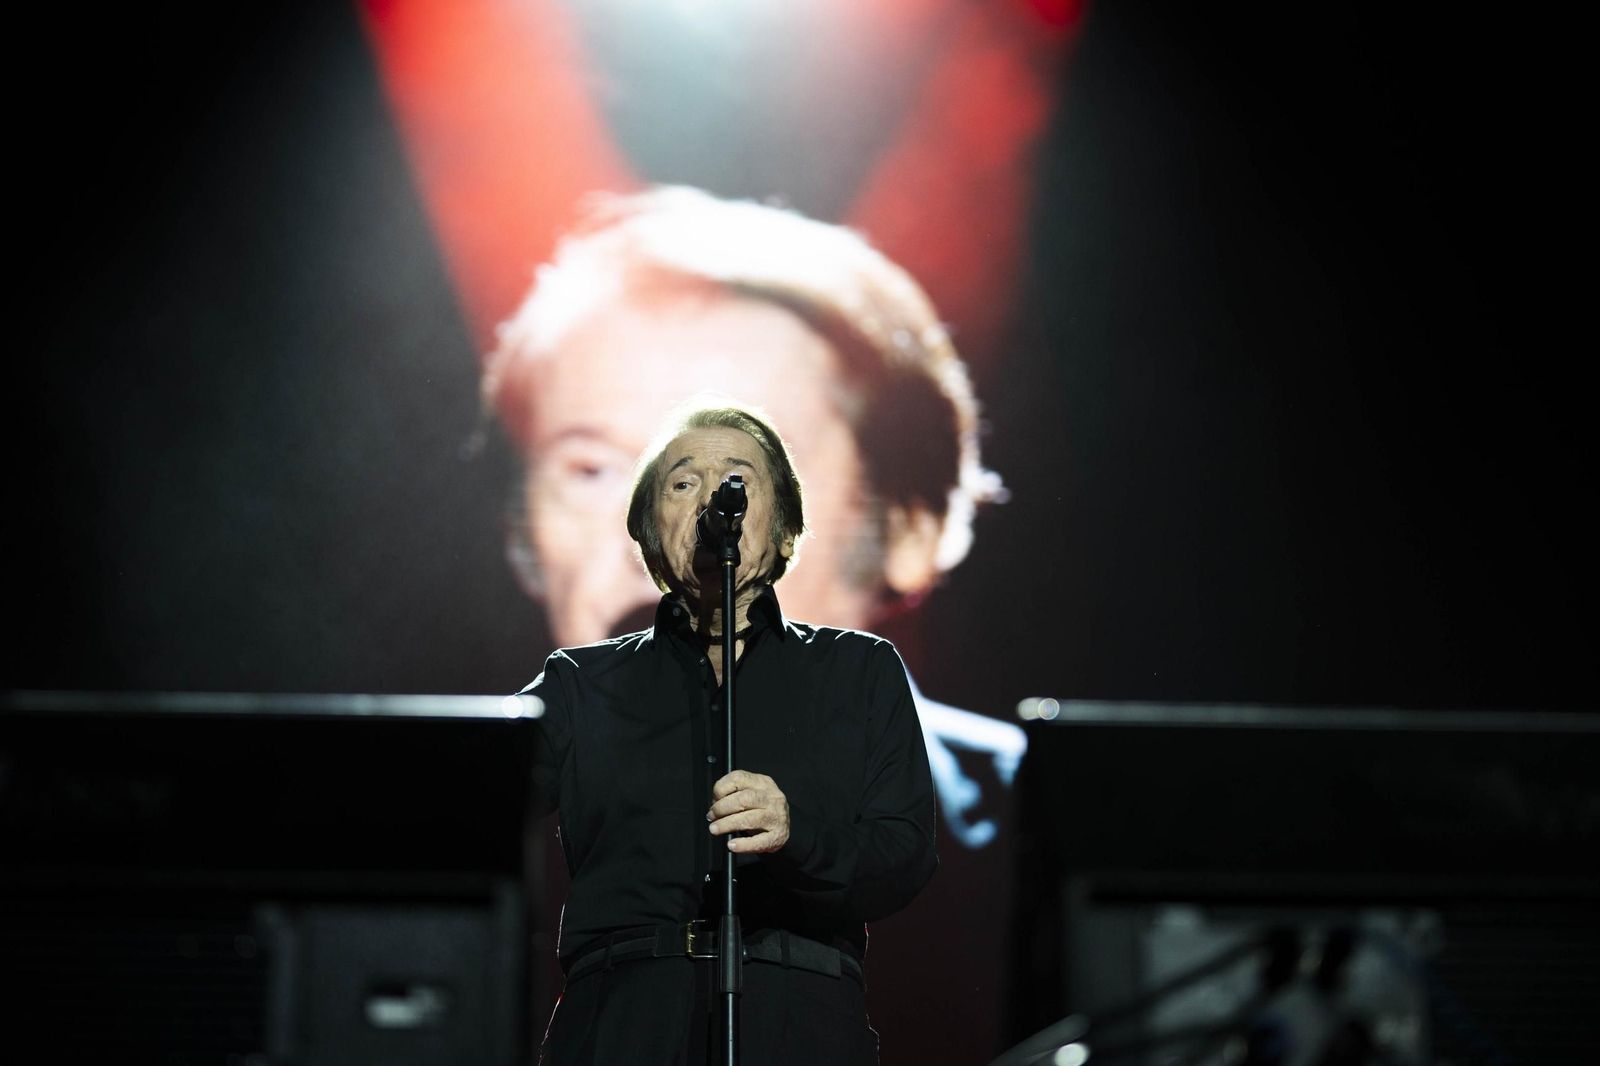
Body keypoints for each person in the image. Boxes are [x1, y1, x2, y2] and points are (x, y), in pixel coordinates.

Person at [484, 186, 1025, 846]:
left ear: (910, 525)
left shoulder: (1059, 831)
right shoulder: (435, 839)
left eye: (738, 477)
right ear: (524, 537)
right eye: (593, 470)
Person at [521, 404, 937, 1065]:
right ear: (649, 530)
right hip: (621, 1022)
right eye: (683, 482)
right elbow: (467, 792)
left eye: (737, 478)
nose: (714, 495)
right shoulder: (580, 682)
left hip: (800, 1019)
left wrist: (798, 835)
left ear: (782, 527)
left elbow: (904, 856)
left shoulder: (857, 670)